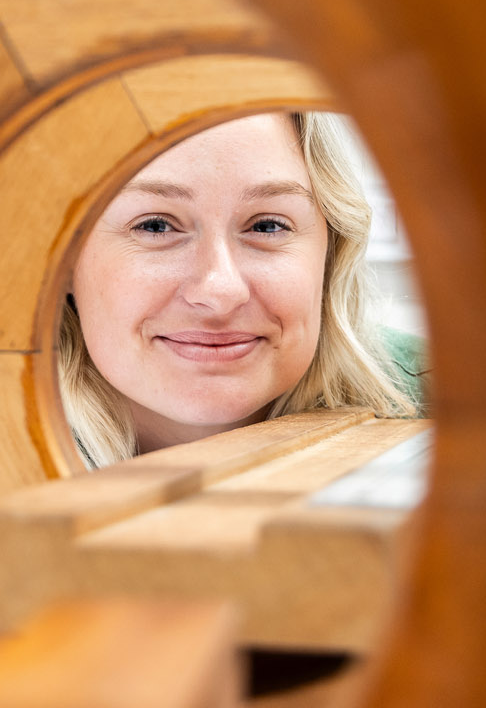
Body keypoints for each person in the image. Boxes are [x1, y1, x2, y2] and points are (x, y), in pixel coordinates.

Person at [59, 111, 423, 467]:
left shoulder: (461, 395)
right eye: (155, 226)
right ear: (63, 262)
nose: (220, 291)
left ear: (330, 254)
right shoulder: (4, 466)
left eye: (267, 226)